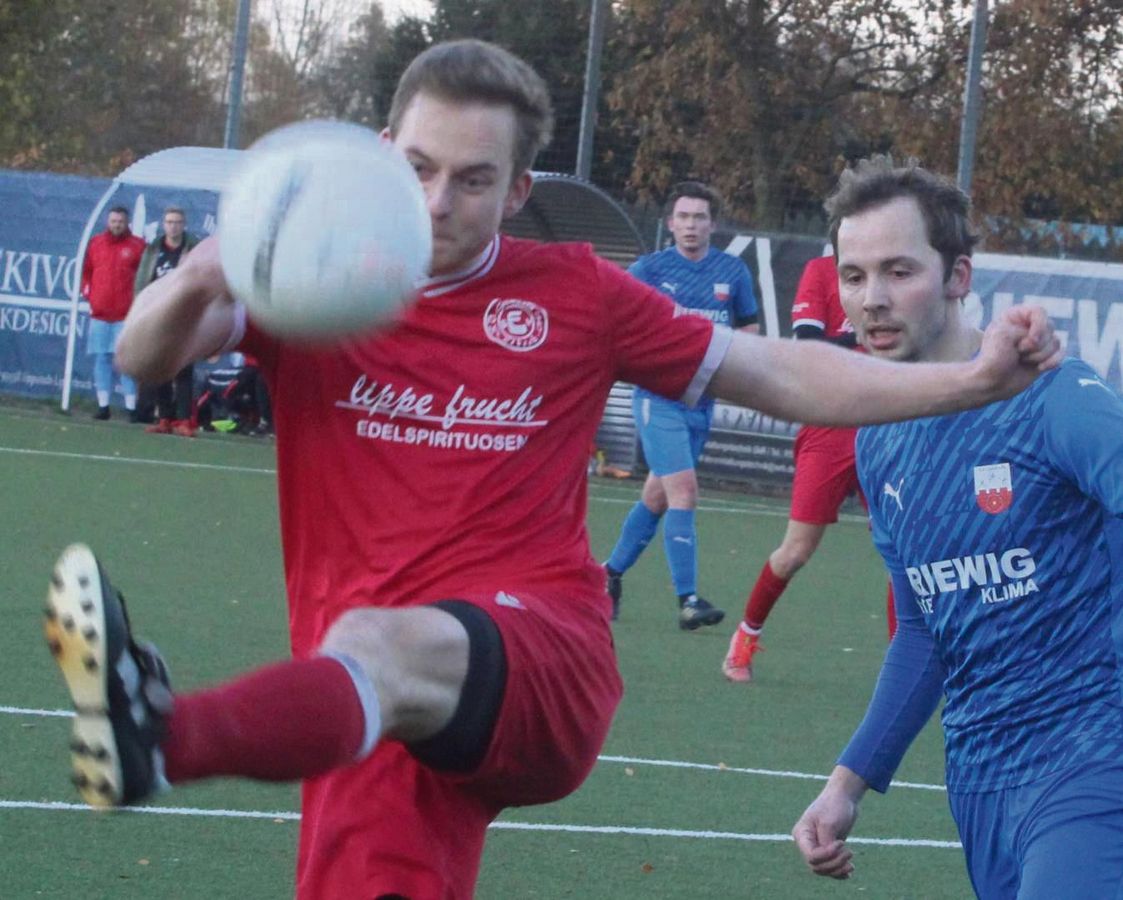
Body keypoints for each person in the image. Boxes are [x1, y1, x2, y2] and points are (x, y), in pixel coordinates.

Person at [43, 42, 1059, 900]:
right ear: (383, 155)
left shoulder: (575, 294)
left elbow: (769, 368)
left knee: (377, 643)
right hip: (354, 699)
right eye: (420, 167)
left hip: (537, 658)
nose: (438, 200)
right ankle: (168, 729)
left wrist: (969, 383)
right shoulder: (307, 277)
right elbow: (143, 357)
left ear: (518, 189)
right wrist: (215, 268)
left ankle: (161, 737)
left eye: (475, 179)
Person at [791, 156, 1123, 898]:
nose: (871, 299)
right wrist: (847, 782)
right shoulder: (878, 437)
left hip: (1093, 756)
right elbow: (923, 627)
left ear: (957, 277)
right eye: (852, 276)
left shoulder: (1051, 392)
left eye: (898, 271)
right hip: (978, 777)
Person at [722, 255, 894, 683]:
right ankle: (745, 637)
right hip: (829, 426)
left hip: (888, 421)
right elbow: (808, 345)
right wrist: (864, 346)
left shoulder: (897, 272)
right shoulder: (820, 271)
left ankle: (903, 667)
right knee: (796, 550)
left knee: (902, 552)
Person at [603, 181, 759, 629]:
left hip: (701, 403)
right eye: (683, 217)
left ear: (713, 224)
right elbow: (618, 325)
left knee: (657, 495)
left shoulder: (732, 272)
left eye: (700, 217)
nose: (691, 225)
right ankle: (688, 600)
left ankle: (607, 575)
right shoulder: (649, 270)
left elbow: (747, 334)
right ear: (670, 224)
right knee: (684, 491)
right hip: (658, 400)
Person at [135, 207, 200, 437]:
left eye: (177, 222)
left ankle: (183, 420)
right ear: (163, 224)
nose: (173, 226)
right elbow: (143, 280)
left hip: (184, 317)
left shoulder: (194, 249)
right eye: (169, 222)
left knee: (182, 369)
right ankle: (164, 418)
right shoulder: (154, 249)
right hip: (158, 316)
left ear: (184, 225)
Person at [80, 205, 145, 420]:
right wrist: (88, 293)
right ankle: (103, 406)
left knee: (126, 361)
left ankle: (131, 408)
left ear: (127, 223)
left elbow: (144, 277)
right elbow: (87, 272)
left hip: (126, 315)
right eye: (113, 221)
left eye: (120, 221)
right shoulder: (96, 243)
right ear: (108, 222)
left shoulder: (138, 246)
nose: (116, 225)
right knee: (102, 359)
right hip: (100, 314)